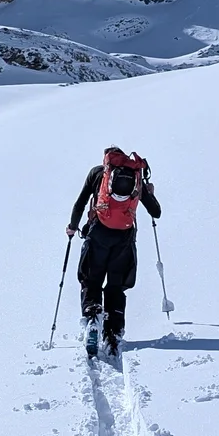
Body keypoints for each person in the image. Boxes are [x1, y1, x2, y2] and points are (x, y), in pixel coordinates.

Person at [66, 147, 161, 357]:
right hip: (124, 239)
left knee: (91, 281)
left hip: (97, 234)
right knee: (115, 286)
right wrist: (150, 193)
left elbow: (80, 203)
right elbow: (156, 212)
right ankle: (113, 334)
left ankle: (92, 320)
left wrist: (72, 227)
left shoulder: (97, 173)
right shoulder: (136, 178)